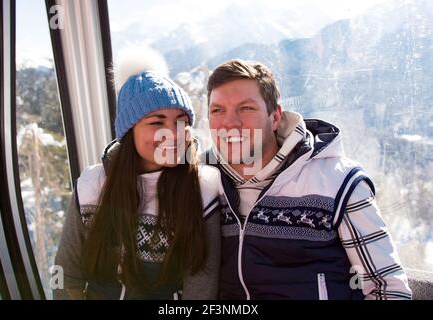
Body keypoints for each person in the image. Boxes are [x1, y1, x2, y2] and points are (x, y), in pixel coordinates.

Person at [203, 59, 412, 300]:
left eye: (246, 108)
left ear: (275, 118)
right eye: (217, 110)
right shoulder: (203, 182)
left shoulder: (337, 183)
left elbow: (388, 289)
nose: (230, 123)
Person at [53, 49, 220, 300]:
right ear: (129, 131)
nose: (173, 134)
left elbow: (201, 285)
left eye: (181, 121)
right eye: (156, 122)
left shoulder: (203, 188)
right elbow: (67, 273)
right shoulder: (92, 185)